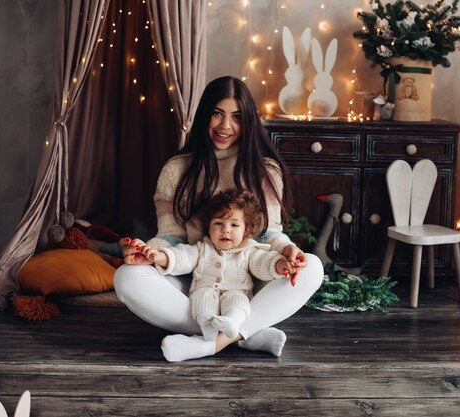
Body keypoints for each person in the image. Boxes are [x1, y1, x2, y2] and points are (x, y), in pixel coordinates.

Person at [114, 75, 324, 362]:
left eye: (236, 117)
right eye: (217, 114)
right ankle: (245, 333)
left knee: (312, 268)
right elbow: (171, 237)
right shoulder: (177, 170)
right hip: (195, 285)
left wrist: (287, 251)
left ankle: (210, 342)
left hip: (250, 281)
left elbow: (270, 235)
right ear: (204, 116)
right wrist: (148, 253)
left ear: (248, 121)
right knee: (126, 277)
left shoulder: (265, 170)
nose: (225, 126)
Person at [130, 189, 296, 343]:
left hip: (236, 291)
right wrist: (160, 256)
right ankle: (207, 326)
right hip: (205, 290)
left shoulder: (249, 251)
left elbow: (263, 262)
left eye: (234, 225)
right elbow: (182, 257)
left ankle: (232, 322)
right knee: (201, 299)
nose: (225, 230)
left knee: (239, 301)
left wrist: (279, 264)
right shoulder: (202, 248)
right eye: (218, 223)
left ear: (247, 230)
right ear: (208, 227)